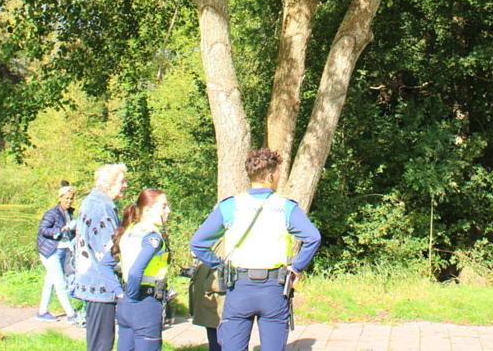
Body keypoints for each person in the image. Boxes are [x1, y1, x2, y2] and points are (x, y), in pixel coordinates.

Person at [189, 149, 321, 351]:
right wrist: (296, 268)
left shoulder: (231, 205)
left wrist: (219, 265)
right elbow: (313, 238)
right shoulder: (286, 207)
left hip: (239, 287)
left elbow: (198, 243)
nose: (278, 177)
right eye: (277, 173)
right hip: (274, 289)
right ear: (269, 176)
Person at [99, 189, 172, 351]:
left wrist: (120, 293)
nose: (168, 211)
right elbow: (134, 271)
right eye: (164, 206)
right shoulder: (152, 236)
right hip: (145, 303)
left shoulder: (129, 230)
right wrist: (132, 298)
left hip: (125, 304)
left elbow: (104, 265)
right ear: (148, 210)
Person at [72, 163, 128, 351]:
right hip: (100, 284)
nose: (125, 185)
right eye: (122, 181)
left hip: (91, 279)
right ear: (108, 184)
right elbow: (109, 251)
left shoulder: (92, 202)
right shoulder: (102, 208)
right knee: (102, 343)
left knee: (98, 340)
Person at [36, 181, 78, 322]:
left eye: (71, 198)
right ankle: (71, 315)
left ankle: (42, 312)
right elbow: (43, 229)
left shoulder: (70, 212)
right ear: (60, 198)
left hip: (62, 251)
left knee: (50, 282)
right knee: (61, 284)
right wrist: (59, 230)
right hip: (50, 252)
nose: (69, 201)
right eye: (66, 198)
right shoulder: (52, 213)